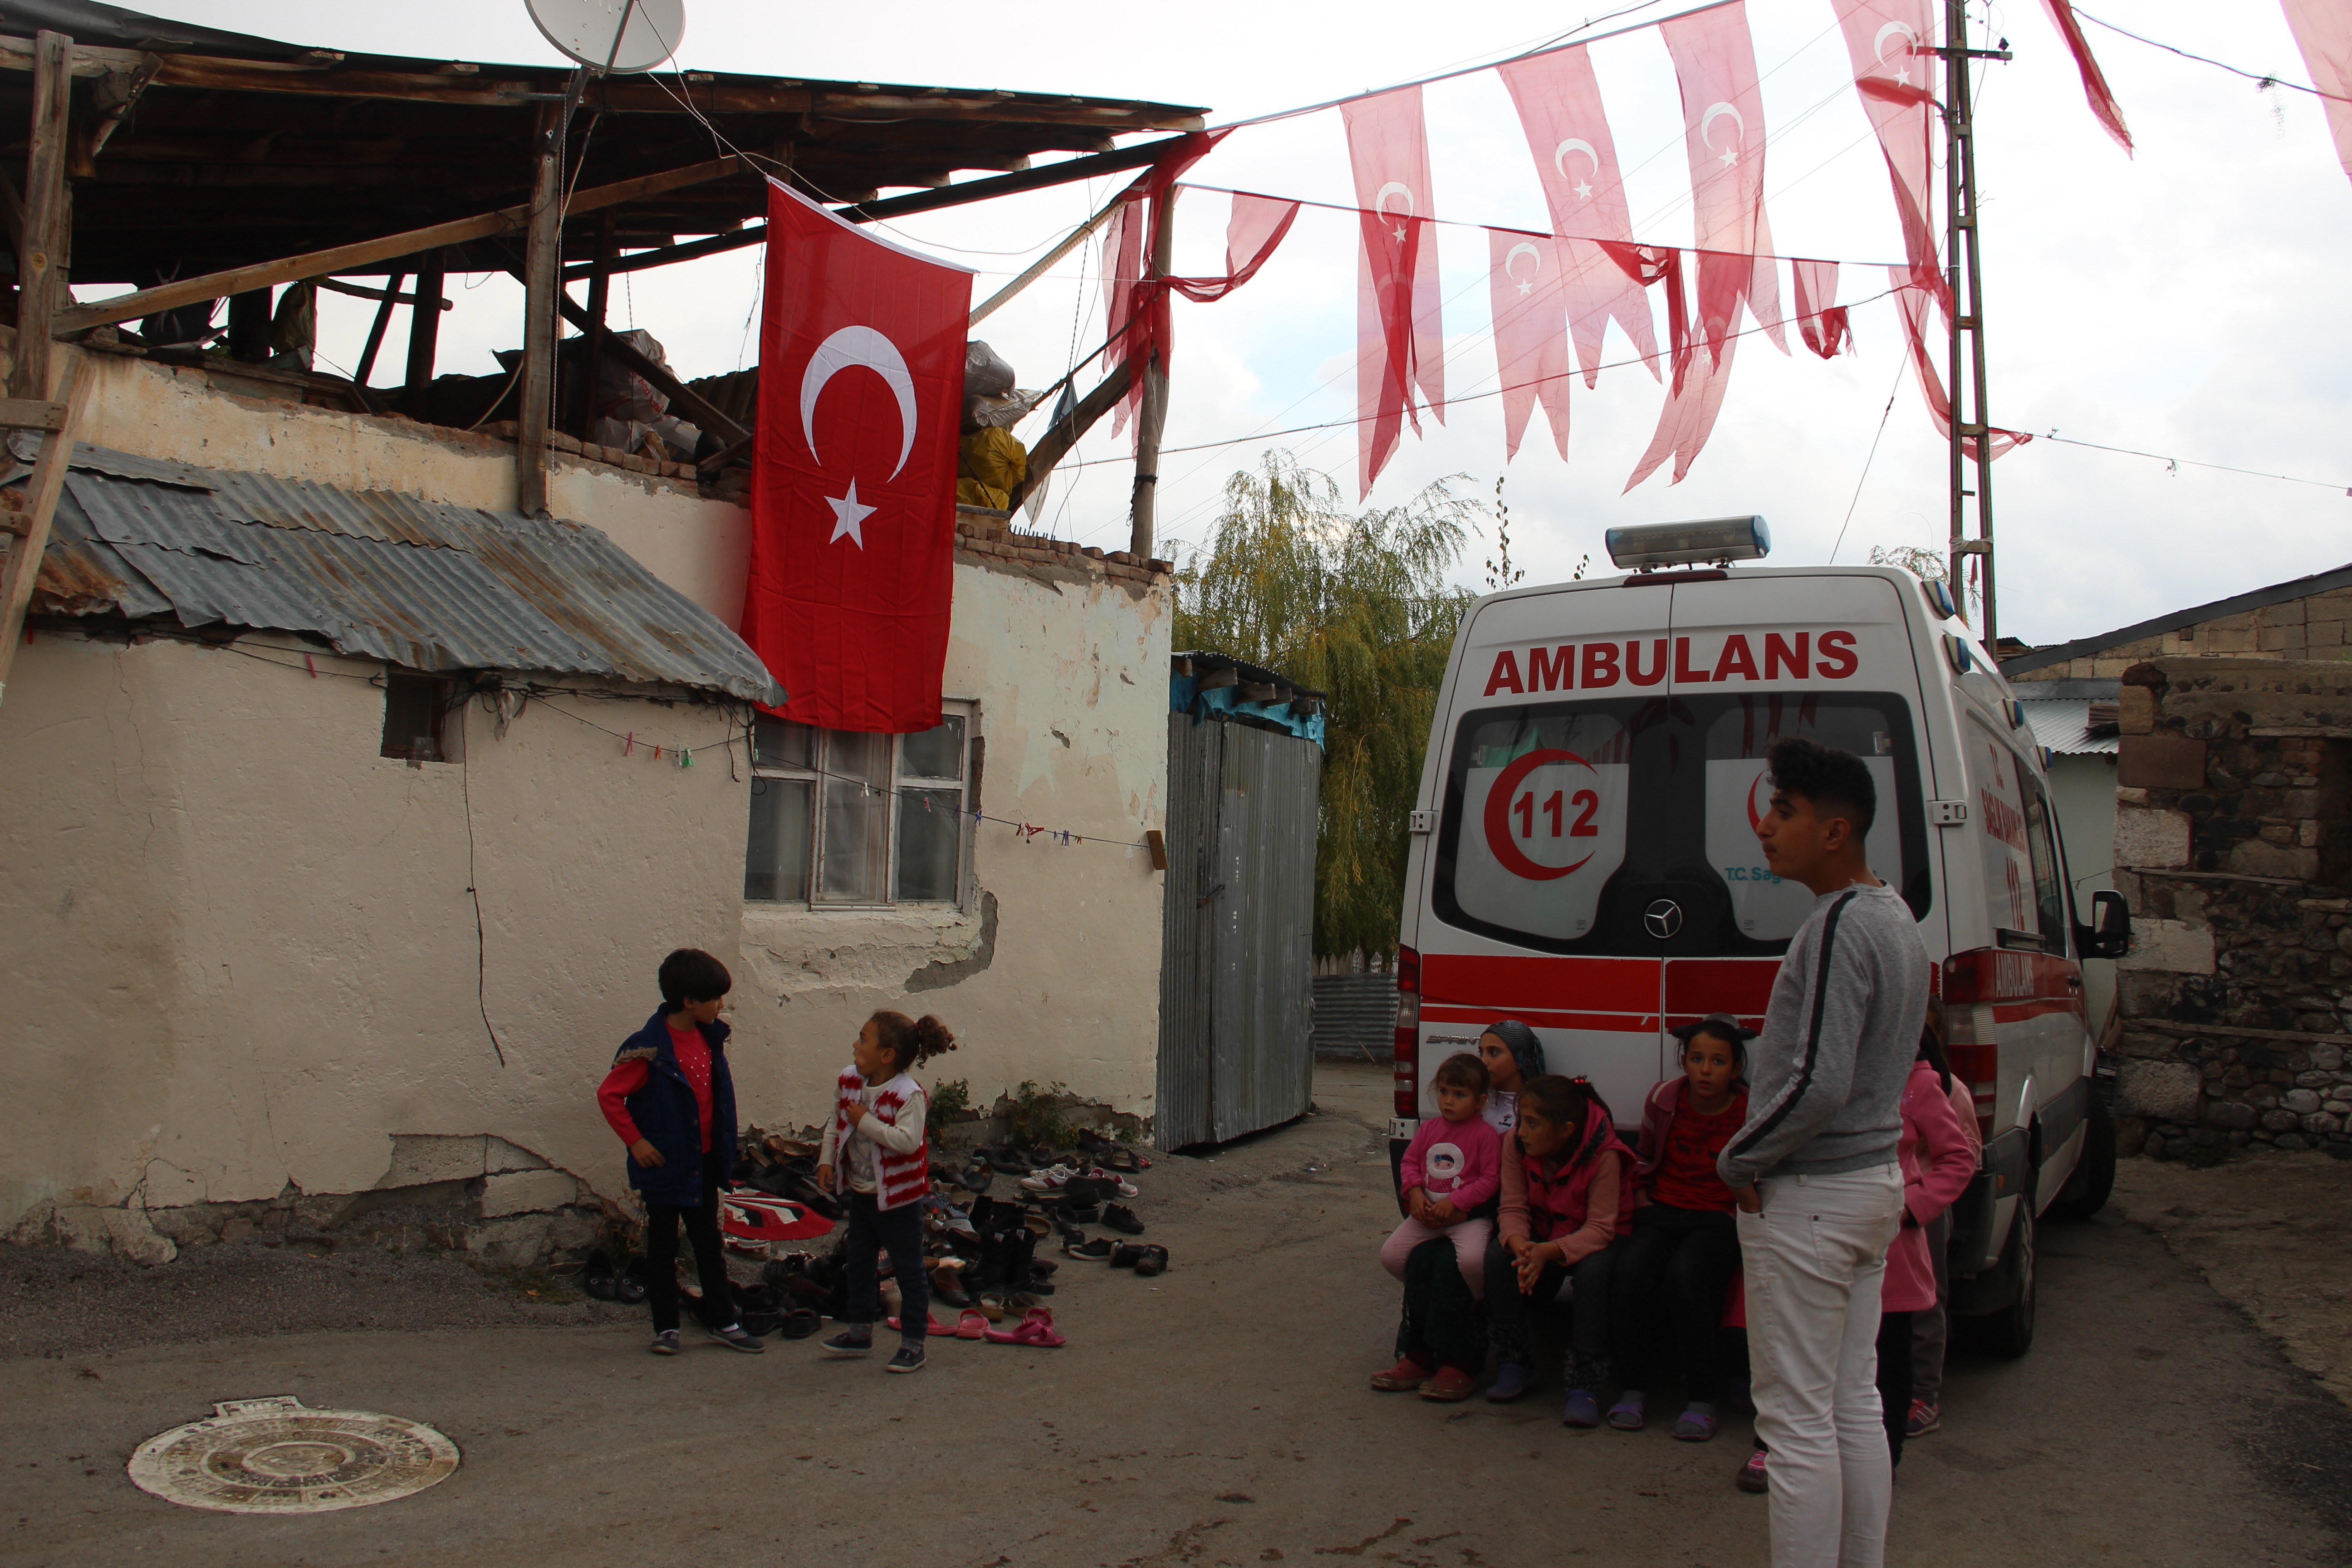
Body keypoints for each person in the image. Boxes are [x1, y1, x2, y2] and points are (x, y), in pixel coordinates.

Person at [1718, 736, 1928, 1568]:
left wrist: (1739, 1160)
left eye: (1783, 811)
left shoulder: (1838, 926)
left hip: (1809, 1198)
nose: (1765, 829)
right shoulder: (1894, 917)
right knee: (1851, 1405)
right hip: (1869, 1187)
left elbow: (1815, 1081)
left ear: (1834, 831)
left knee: (1794, 1425)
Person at [596, 948, 764, 1357]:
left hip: (704, 1163)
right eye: (715, 998)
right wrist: (636, 1141)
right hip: (666, 1166)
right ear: (690, 1002)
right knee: (663, 1247)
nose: (721, 1005)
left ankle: (724, 1320)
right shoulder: (649, 1050)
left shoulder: (711, 1039)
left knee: (708, 1243)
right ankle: (666, 1327)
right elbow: (609, 1095)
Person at [1611, 1013, 1754, 1441]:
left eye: (1718, 1061)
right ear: (1684, 1061)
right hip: (1664, 1209)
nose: (1706, 1071)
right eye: (1696, 1059)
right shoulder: (1666, 1099)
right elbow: (1644, 1157)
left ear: (1737, 1068)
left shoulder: (1750, 1109)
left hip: (1719, 1217)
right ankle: (1633, 1388)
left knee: (1686, 1277)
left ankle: (1702, 1397)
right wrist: (1641, 1201)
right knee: (1630, 1272)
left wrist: (1737, 1214)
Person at [1484, 1074, 1633, 1420]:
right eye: (1521, 1120)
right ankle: (1514, 1361)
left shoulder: (1605, 1156)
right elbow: (1512, 1207)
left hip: (1599, 1237)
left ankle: (1586, 1382)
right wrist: (1523, 1248)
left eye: (1533, 1124)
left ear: (1566, 1130)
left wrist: (1547, 1252)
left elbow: (1600, 1228)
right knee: (1498, 1256)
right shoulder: (1516, 1145)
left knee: (1594, 1274)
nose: (1521, 1131)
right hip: (1542, 1232)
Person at [817, 1010, 959, 1373]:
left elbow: (908, 1142)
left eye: (863, 1038)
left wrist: (865, 1120)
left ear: (887, 1055)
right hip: (863, 1194)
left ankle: (914, 1343)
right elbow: (835, 1121)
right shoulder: (851, 1080)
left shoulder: (907, 1095)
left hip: (899, 1199)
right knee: (860, 1264)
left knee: (908, 1269)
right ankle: (860, 1332)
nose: (855, 1043)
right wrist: (826, 1160)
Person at [1372, 1054, 1504, 1400]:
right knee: (1392, 1256)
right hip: (1426, 1216)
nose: (1448, 1101)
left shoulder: (1486, 1136)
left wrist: (1457, 1204)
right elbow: (1411, 1163)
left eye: (1459, 1095)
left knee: (1473, 1263)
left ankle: (1476, 1304)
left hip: (1467, 1219)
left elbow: (1490, 1180)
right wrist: (1415, 1195)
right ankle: (1418, 1355)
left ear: (1480, 1102)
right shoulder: (1429, 1129)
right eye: (1444, 1092)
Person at [1882, 1026, 1978, 1461]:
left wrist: (1914, 1205)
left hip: (1897, 1241)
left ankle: (1891, 1449)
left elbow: (1959, 1157)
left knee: (1895, 1346)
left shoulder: (1921, 1084)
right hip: (1838, 1236)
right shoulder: (1839, 1076)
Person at [1908, 1019, 1983, 1439]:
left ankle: (1924, 1395)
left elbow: (1965, 1152)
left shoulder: (1945, 1089)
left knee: (1926, 1299)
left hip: (1924, 1213)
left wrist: (1920, 1203)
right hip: (1879, 1208)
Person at [1477, 1020, 1548, 1138]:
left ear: (1520, 1059)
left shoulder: (1537, 1110)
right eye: (1481, 1053)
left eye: (1493, 1053)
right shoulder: (1474, 1102)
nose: (1483, 1061)